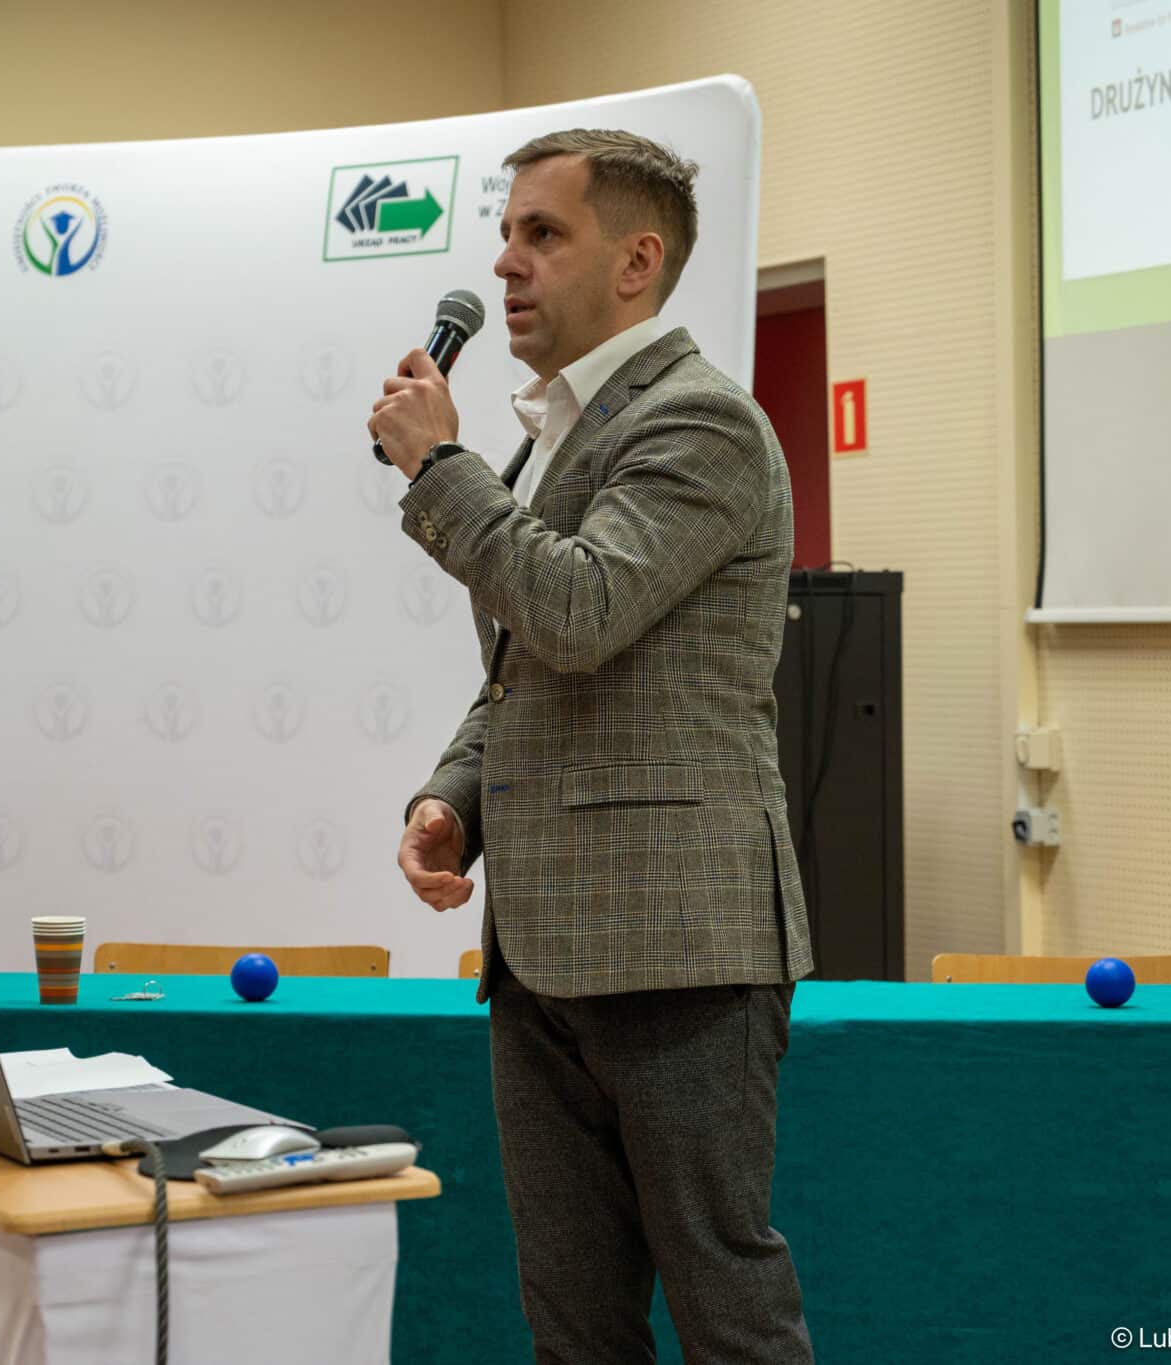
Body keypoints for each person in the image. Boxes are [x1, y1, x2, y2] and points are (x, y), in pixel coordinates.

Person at [368, 128, 814, 1364]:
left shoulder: (703, 424)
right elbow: (524, 673)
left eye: (541, 235)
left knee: (726, 1313)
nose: (504, 264)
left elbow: (575, 610)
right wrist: (455, 797)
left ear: (636, 261)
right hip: (543, 954)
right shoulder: (551, 431)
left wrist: (439, 465)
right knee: (571, 1325)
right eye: (504, 234)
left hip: (680, 951)